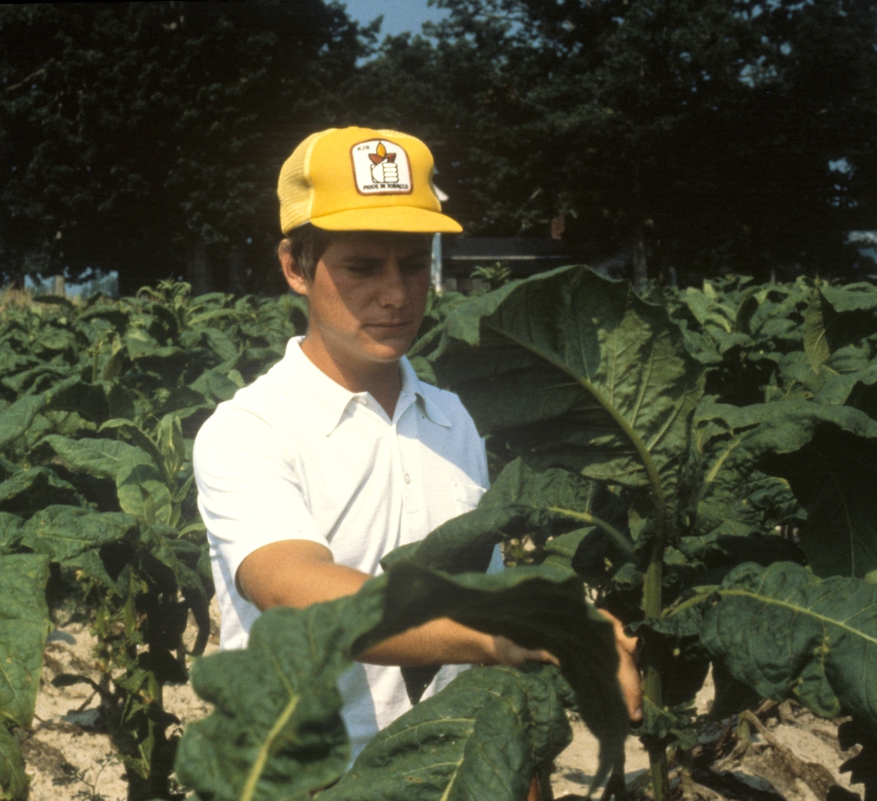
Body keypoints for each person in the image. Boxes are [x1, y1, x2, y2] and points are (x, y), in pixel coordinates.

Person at [192, 126, 642, 761]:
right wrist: (499, 626)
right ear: (295, 266)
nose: (397, 294)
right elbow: (296, 588)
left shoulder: (453, 419)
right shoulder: (249, 430)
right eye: (362, 267)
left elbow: (482, 623)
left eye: (412, 263)